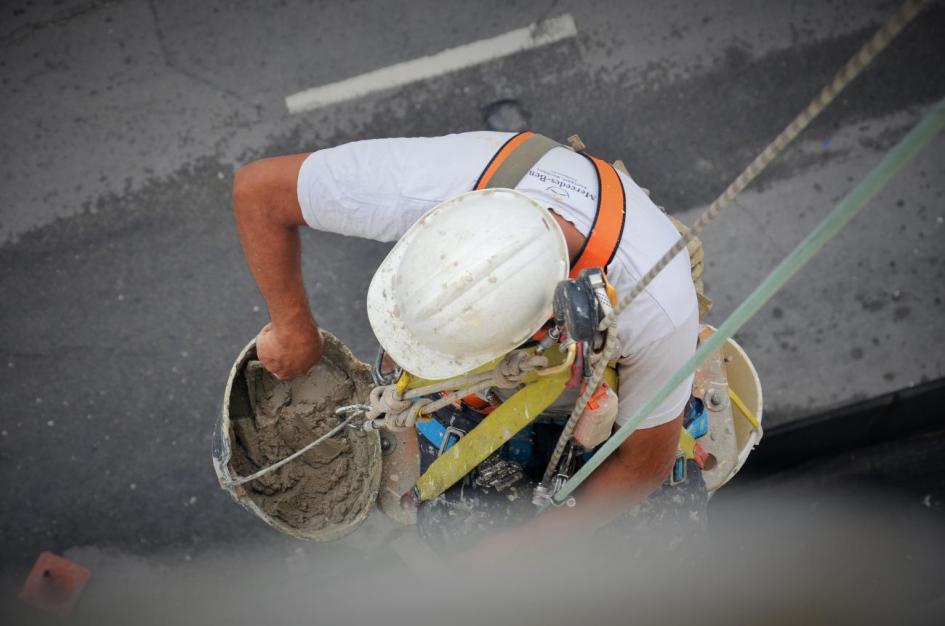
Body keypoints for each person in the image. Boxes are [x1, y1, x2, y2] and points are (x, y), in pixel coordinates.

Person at [232, 131, 705, 557]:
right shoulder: (438, 182)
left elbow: (645, 464)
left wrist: (529, 544)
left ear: (542, 324)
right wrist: (292, 326)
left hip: (595, 381)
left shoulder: (657, 309)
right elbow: (260, 191)